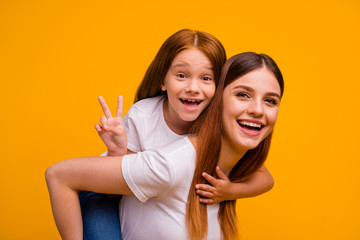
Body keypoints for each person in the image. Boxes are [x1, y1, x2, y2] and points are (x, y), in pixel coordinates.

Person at [45, 51, 284, 240]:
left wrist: (231, 191)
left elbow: (266, 178)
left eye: (270, 100)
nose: (257, 109)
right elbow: (59, 175)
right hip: (103, 193)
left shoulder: (230, 165)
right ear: (216, 101)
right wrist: (117, 152)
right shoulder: (169, 162)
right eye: (243, 94)